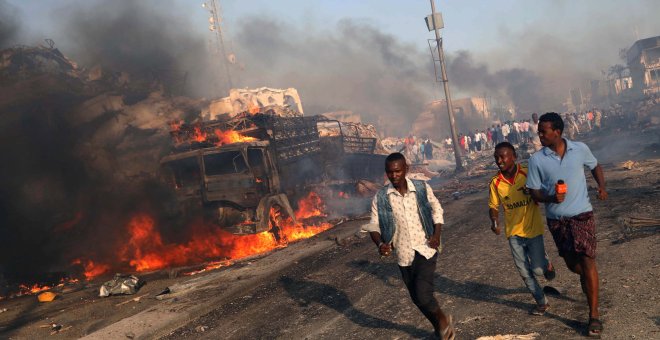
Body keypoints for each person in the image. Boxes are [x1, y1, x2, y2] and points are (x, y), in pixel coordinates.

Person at [526, 112, 608, 338]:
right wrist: (550, 198)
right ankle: (587, 280)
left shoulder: (579, 149)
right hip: (557, 220)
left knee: (588, 261)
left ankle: (594, 315)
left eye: (544, 131)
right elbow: (533, 190)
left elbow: (595, 166)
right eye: (539, 131)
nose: (540, 135)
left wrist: (601, 187)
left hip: (582, 214)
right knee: (574, 265)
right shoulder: (536, 160)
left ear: (558, 132)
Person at [363, 152, 454, 340]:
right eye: (390, 172)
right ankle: (440, 326)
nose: (394, 175)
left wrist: (437, 234)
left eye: (397, 171)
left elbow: (436, 208)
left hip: (426, 247)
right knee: (417, 298)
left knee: (422, 293)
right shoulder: (381, 197)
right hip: (403, 254)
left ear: (406, 169)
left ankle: (443, 321)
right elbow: (373, 225)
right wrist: (380, 243)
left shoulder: (421, 188)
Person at [488, 142, 556, 315]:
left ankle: (546, 263)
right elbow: (493, 206)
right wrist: (494, 221)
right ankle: (541, 302)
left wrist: (534, 192)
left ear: (514, 157)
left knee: (538, 270)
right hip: (514, 233)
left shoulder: (527, 172)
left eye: (503, 156)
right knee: (524, 271)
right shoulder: (495, 183)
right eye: (497, 157)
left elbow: (543, 190)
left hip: (533, 230)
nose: (499, 161)